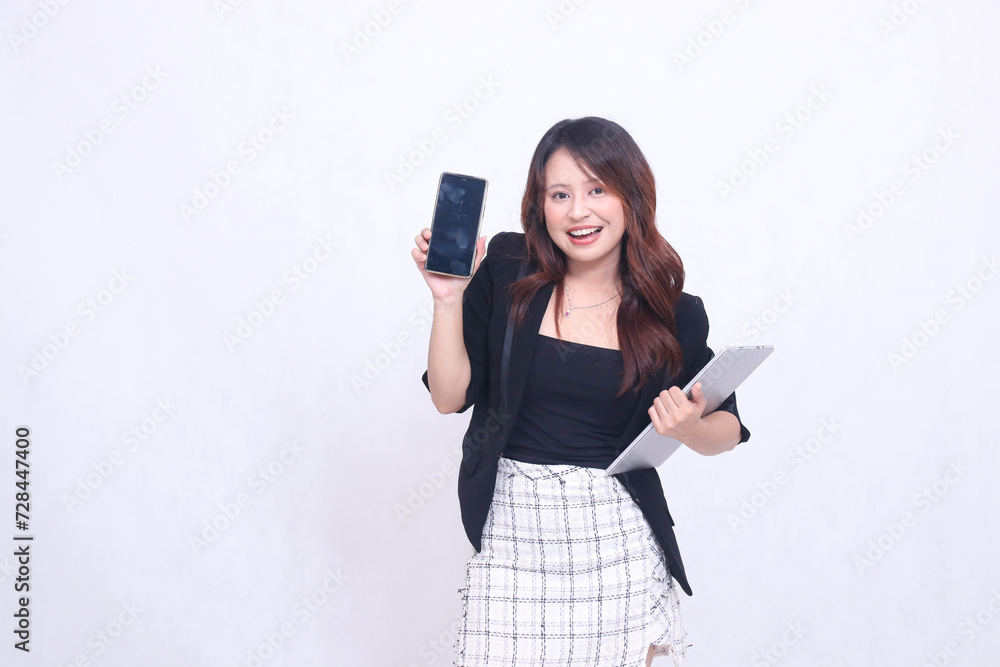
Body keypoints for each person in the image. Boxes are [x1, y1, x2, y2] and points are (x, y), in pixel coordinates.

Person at [411, 117, 751, 667]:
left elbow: (728, 431)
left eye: (597, 190)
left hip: (618, 545)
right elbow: (449, 397)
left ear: (631, 198)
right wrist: (448, 298)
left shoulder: (673, 314)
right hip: (513, 539)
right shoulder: (505, 267)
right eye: (560, 194)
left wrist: (688, 426)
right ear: (539, 205)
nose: (578, 211)